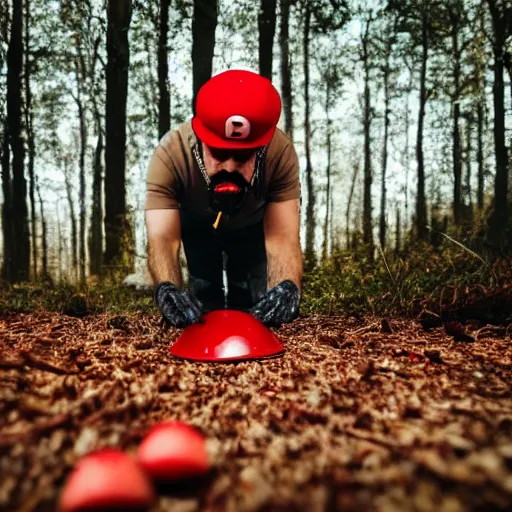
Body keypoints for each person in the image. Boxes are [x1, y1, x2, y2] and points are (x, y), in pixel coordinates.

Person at [144, 69, 303, 328]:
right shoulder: (171, 154)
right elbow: (163, 237)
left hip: (252, 226)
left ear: (260, 150)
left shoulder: (280, 154)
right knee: (203, 301)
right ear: (201, 142)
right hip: (197, 225)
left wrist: (287, 287)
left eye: (242, 157)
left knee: (255, 302)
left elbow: (281, 238)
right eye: (218, 153)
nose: (229, 167)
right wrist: (167, 287)